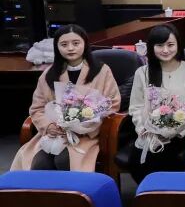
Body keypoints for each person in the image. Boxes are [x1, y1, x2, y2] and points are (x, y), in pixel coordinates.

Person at [11, 25, 122, 171]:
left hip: (86, 135)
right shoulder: (48, 74)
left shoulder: (101, 70)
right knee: (39, 163)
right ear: (57, 47)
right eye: (64, 44)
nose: (70, 48)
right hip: (54, 134)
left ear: (85, 44)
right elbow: (37, 108)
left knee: (64, 161)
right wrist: (48, 126)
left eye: (76, 43)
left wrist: (85, 124)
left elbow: (112, 103)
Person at [127, 24, 185, 182]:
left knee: (162, 160)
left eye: (170, 45)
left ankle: (165, 195)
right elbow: (136, 106)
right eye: (160, 45)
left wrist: (176, 124)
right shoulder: (142, 73)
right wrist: (142, 128)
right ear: (151, 47)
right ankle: (150, 195)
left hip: (181, 133)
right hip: (149, 133)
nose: (165, 50)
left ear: (178, 45)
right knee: (137, 161)